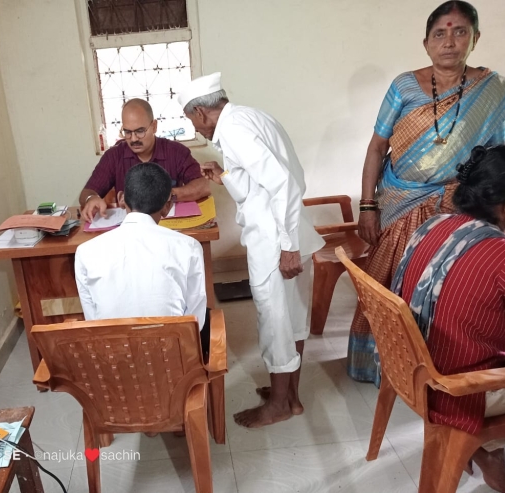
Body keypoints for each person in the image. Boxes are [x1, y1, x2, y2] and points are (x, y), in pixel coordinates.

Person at [348, 0, 505, 383]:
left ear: (475, 38)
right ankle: (383, 366)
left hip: (461, 206)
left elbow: (499, 156)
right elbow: (377, 147)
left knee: (447, 286)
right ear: (426, 43)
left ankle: (434, 367)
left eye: (459, 32)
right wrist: (367, 206)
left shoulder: (495, 90)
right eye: (439, 34)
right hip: (399, 201)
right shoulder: (404, 86)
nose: (449, 42)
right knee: (388, 282)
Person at [178, 72, 325, 428]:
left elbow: (283, 184)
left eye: (193, 122)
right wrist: (224, 175)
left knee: (274, 320)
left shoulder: (233, 130)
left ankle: (278, 405)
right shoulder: (251, 116)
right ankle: (291, 397)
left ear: (201, 112)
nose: (198, 130)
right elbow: (259, 186)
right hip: (289, 230)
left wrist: (287, 247)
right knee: (292, 318)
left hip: (275, 239)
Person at [391, 145, 505, 492]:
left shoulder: (434, 224)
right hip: (459, 390)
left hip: (411, 371)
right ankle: (483, 447)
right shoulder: (502, 256)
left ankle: (486, 453)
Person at [74, 162, 210, 355]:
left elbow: (93, 320)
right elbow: (196, 320)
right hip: (172, 361)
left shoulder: (85, 252)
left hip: (113, 362)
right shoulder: (189, 247)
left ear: (121, 199)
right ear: (167, 206)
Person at [79, 98, 210, 222]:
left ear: (154, 126)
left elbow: (203, 186)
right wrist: (91, 198)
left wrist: (164, 194)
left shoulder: (175, 152)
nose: (134, 139)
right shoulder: (114, 156)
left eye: (140, 131)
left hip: (169, 227)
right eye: (128, 132)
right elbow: (87, 192)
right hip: (131, 230)